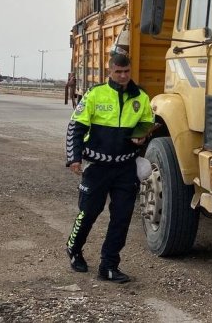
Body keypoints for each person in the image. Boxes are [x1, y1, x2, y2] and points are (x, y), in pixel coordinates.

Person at [64, 53, 154, 283]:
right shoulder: (95, 94)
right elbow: (76, 127)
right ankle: (74, 249)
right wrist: (74, 158)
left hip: (125, 168)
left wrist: (141, 137)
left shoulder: (141, 97)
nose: (123, 76)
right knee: (88, 214)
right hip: (97, 167)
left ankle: (109, 265)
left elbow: (146, 125)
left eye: (126, 72)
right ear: (109, 71)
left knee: (121, 218)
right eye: (118, 72)